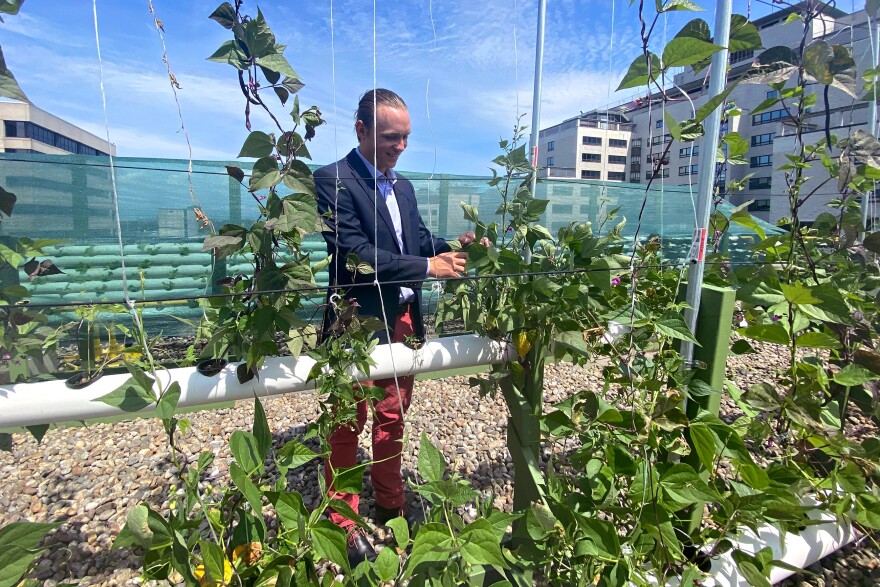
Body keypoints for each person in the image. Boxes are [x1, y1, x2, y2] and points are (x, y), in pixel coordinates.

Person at [314, 88, 484, 566]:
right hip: (356, 320)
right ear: (361, 130)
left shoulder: (401, 186)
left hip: (404, 318)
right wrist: (431, 267)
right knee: (346, 420)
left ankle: (391, 502)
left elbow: (419, 240)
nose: (401, 146)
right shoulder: (333, 180)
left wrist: (455, 245)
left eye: (406, 137)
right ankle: (341, 521)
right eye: (392, 137)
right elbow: (355, 256)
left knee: (394, 414)